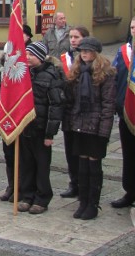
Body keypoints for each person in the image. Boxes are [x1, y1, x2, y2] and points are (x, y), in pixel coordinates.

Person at [66, 36, 116, 220]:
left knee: (94, 165)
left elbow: (108, 104)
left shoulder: (106, 73)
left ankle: (93, 204)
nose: (84, 54)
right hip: (79, 125)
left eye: (87, 51)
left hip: (95, 127)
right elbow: (71, 101)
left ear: (95, 53)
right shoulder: (77, 72)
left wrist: (104, 131)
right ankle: (83, 202)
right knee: (82, 165)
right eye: (82, 51)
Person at [17, 42, 65, 214]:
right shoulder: (24, 73)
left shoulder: (51, 75)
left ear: (41, 56)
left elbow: (55, 106)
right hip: (25, 127)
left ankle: (42, 198)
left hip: (41, 128)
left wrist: (50, 133)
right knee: (26, 164)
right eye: (26, 54)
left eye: (32, 55)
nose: (28, 57)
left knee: (42, 165)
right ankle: (27, 196)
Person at [0, 23, 34, 202]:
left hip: (23, 114)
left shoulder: (30, 57)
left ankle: (23, 188)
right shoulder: (8, 56)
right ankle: (11, 186)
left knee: (24, 156)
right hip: (8, 112)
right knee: (9, 153)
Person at [59, 25, 90, 199]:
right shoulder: (65, 58)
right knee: (70, 150)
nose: (73, 40)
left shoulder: (88, 61)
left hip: (83, 112)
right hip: (68, 111)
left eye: (76, 37)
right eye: (71, 37)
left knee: (82, 150)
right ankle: (74, 183)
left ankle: (84, 185)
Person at [111, 16, 135, 209]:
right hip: (126, 111)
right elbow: (114, 76)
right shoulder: (123, 52)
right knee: (129, 155)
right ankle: (130, 191)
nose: (134, 30)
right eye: (132, 27)